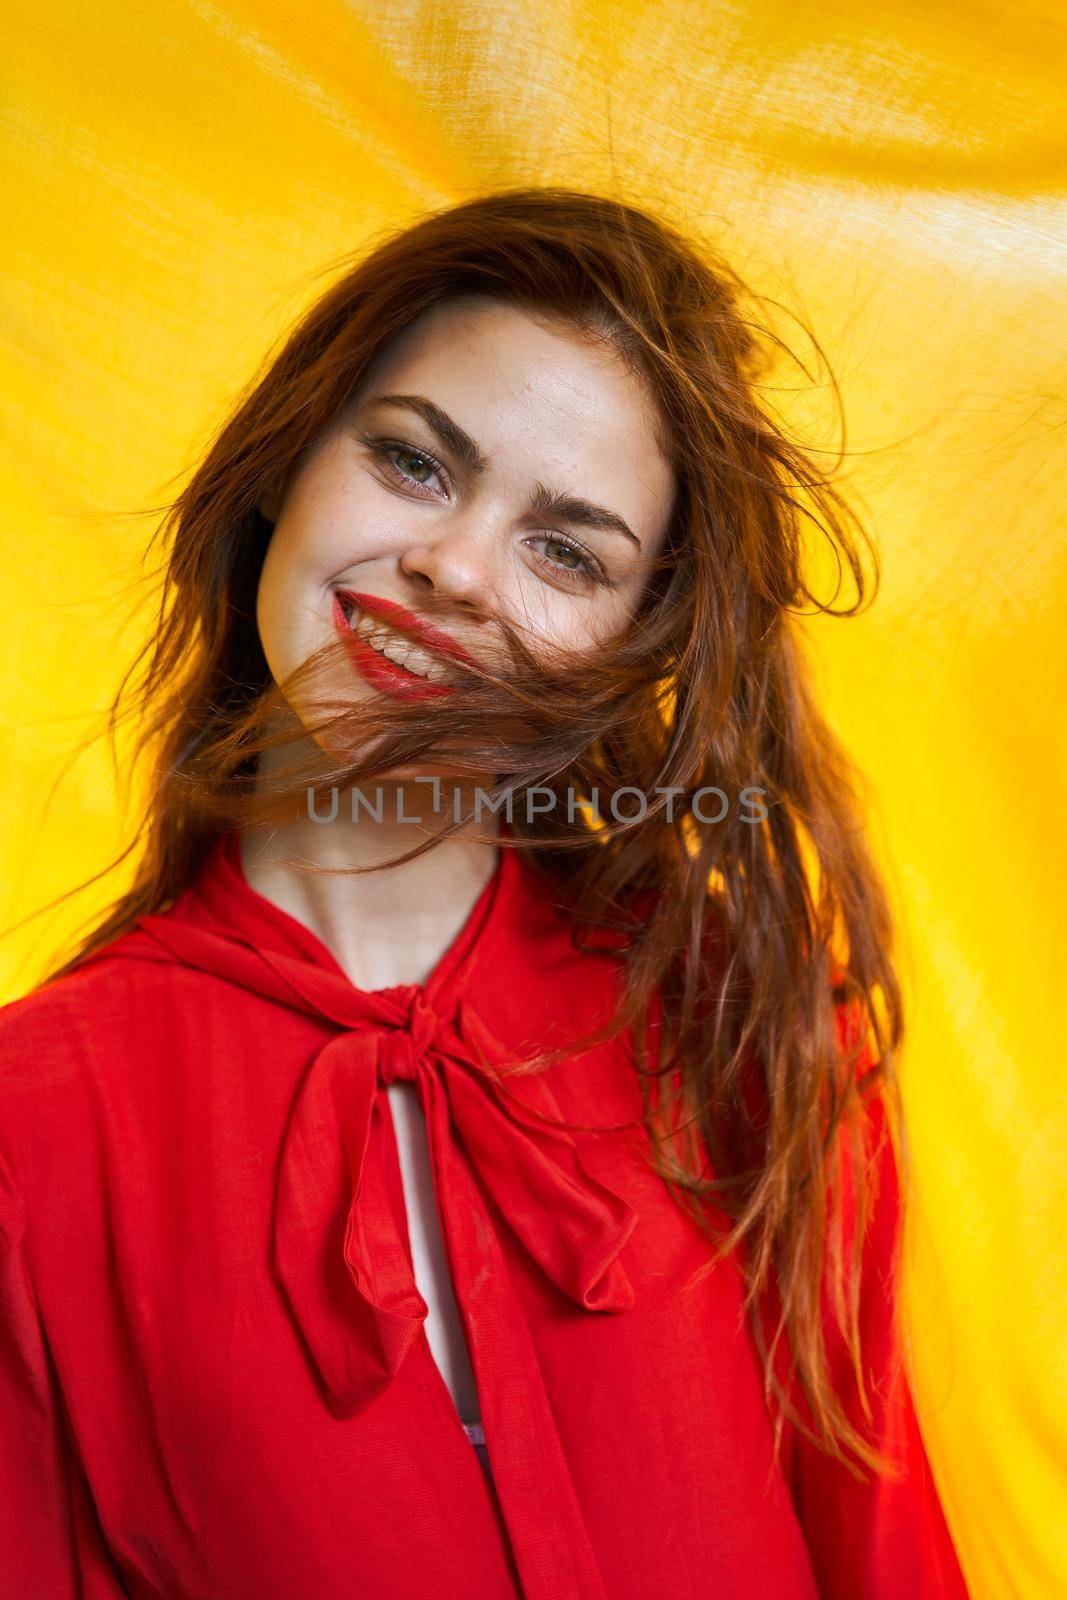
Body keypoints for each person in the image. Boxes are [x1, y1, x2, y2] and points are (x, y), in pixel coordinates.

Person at [0, 187, 971, 1597]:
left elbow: (888, 1555)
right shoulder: (38, 1119)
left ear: (631, 646)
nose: (452, 568)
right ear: (290, 456)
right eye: (413, 462)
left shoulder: (730, 1020)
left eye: (566, 550)